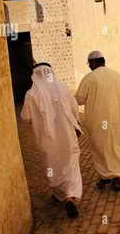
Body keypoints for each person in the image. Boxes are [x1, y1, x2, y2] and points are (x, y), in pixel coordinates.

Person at [21, 62, 83, 218]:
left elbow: (25, 117)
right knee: (71, 164)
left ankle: (60, 194)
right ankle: (70, 196)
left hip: (46, 140)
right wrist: (76, 124)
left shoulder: (30, 95)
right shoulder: (62, 89)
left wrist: (38, 120)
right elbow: (75, 110)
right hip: (67, 137)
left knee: (52, 165)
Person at [75, 51, 120, 191]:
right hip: (115, 120)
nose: (89, 65)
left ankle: (105, 177)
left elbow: (79, 99)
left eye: (89, 63)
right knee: (116, 147)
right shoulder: (117, 75)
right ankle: (116, 179)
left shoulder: (89, 78)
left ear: (94, 62)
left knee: (101, 149)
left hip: (97, 122)